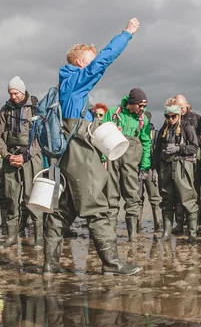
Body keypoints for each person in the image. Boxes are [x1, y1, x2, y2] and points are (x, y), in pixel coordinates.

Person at [43, 18, 141, 276]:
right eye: (90, 58)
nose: (93, 60)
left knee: (63, 209)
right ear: (80, 62)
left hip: (67, 157)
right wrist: (127, 34)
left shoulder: (66, 87)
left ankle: (49, 265)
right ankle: (112, 263)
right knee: (98, 207)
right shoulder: (75, 81)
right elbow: (103, 61)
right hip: (80, 156)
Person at [0, 76, 44, 248]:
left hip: (31, 159)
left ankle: (38, 237)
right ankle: (11, 237)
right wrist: (7, 156)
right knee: (11, 197)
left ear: (22, 91)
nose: (13, 96)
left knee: (32, 197)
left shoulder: (36, 108)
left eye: (15, 93)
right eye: (10, 93)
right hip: (10, 157)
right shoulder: (4, 110)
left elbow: (40, 135)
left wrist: (26, 156)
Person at [103, 87, 152, 242]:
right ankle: (110, 235)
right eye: (140, 105)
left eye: (144, 106)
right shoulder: (113, 113)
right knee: (111, 196)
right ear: (131, 103)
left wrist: (145, 166)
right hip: (112, 161)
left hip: (132, 163)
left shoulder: (143, 120)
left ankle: (132, 236)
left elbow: (146, 142)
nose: (142, 109)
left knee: (133, 196)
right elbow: (101, 135)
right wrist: (103, 159)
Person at [155, 97, 200, 241]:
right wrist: (155, 169)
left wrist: (179, 148)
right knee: (167, 200)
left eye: (173, 116)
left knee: (188, 200)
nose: (171, 119)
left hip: (182, 168)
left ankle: (192, 234)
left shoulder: (187, 127)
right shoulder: (164, 129)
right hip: (166, 168)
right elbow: (156, 150)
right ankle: (166, 233)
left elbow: (194, 147)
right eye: (168, 116)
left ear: (178, 115)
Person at [172, 95, 201, 234]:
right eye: (178, 108)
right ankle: (180, 223)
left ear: (186, 104)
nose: (180, 110)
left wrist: (192, 140)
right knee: (179, 192)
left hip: (195, 160)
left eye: (181, 108)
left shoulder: (197, 118)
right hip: (178, 161)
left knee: (197, 192)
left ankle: (199, 221)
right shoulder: (173, 118)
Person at [139, 110, 162, 233]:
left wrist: (155, 169)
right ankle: (138, 224)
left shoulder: (155, 134)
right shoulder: (136, 132)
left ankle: (158, 224)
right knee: (138, 198)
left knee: (154, 198)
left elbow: (157, 152)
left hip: (150, 168)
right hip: (138, 169)